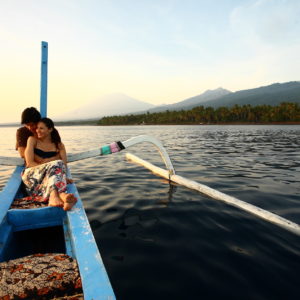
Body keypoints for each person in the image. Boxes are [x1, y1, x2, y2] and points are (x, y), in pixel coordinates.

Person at [21, 117, 77, 211]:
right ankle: (56, 196)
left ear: (50, 129)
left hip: (50, 177)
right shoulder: (32, 140)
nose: (37, 130)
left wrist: (61, 176)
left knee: (58, 165)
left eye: (41, 128)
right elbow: (30, 163)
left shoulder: (59, 145)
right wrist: (50, 166)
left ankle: (62, 197)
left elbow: (64, 165)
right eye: (37, 128)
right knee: (56, 164)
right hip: (32, 176)